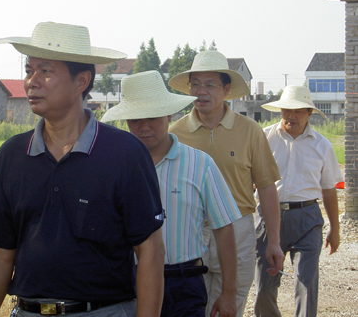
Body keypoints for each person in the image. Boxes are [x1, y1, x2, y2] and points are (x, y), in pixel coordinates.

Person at [0, 22, 166, 317]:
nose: (31, 82)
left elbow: (149, 251)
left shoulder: (124, 153)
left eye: (45, 71)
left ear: (81, 81)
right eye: (29, 70)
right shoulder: (12, 156)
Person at [101, 71, 242, 317]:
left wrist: (229, 292)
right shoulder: (111, 167)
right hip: (128, 283)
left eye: (152, 117)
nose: (144, 127)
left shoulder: (200, 164)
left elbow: (224, 228)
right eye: (135, 119)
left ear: (168, 114)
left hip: (184, 283)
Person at [168, 50, 285, 317]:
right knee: (191, 304)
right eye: (195, 84)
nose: (201, 91)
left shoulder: (249, 130)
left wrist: (274, 241)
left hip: (237, 229)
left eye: (210, 84)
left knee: (229, 307)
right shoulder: (175, 133)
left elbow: (266, 187)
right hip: (189, 231)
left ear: (227, 89)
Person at [254, 85, 343, 317]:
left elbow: (329, 190)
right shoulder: (264, 138)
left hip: (308, 219)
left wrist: (335, 228)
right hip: (268, 219)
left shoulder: (321, 145)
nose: (291, 116)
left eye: (298, 111)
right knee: (264, 288)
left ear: (309, 113)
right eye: (287, 110)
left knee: (306, 282)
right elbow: (248, 180)